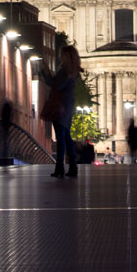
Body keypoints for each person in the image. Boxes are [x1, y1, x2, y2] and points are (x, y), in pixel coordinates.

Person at [40, 44, 82, 178]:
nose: (59, 56)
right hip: (67, 106)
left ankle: (60, 168)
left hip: (60, 106)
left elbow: (55, 85)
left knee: (61, 138)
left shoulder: (65, 71)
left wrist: (45, 72)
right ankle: (72, 167)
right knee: (67, 137)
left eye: (61, 54)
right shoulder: (73, 71)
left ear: (66, 56)